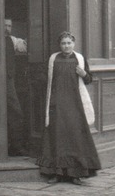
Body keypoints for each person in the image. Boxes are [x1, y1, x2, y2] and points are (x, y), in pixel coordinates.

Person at [36, 32, 101, 185]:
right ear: (60, 45)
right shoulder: (53, 59)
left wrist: (84, 73)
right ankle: (57, 173)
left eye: (69, 43)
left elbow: (89, 79)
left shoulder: (79, 59)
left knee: (75, 138)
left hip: (75, 105)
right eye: (63, 43)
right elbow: (44, 78)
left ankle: (75, 175)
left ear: (74, 44)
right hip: (57, 104)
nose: (66, 46)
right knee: (57, 137)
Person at [5, 18, 28, 156]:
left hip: (8, 80)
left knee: (15, 112)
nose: (7, 28)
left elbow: (23, 46)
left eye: (9, 25)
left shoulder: (12, 40)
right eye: (5, 25)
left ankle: (16, 146)